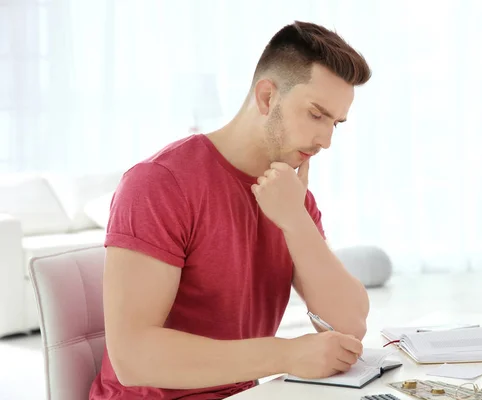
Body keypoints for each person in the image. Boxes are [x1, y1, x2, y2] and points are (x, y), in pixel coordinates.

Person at [89, 20, 372, 400]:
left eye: (336, 123)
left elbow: (350, 323)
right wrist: (286, 353)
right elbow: (132, 358)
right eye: (316, 114)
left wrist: (295, 220)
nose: (326, 140)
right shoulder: (160, 183)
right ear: (268, 97)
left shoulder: (288, 194)